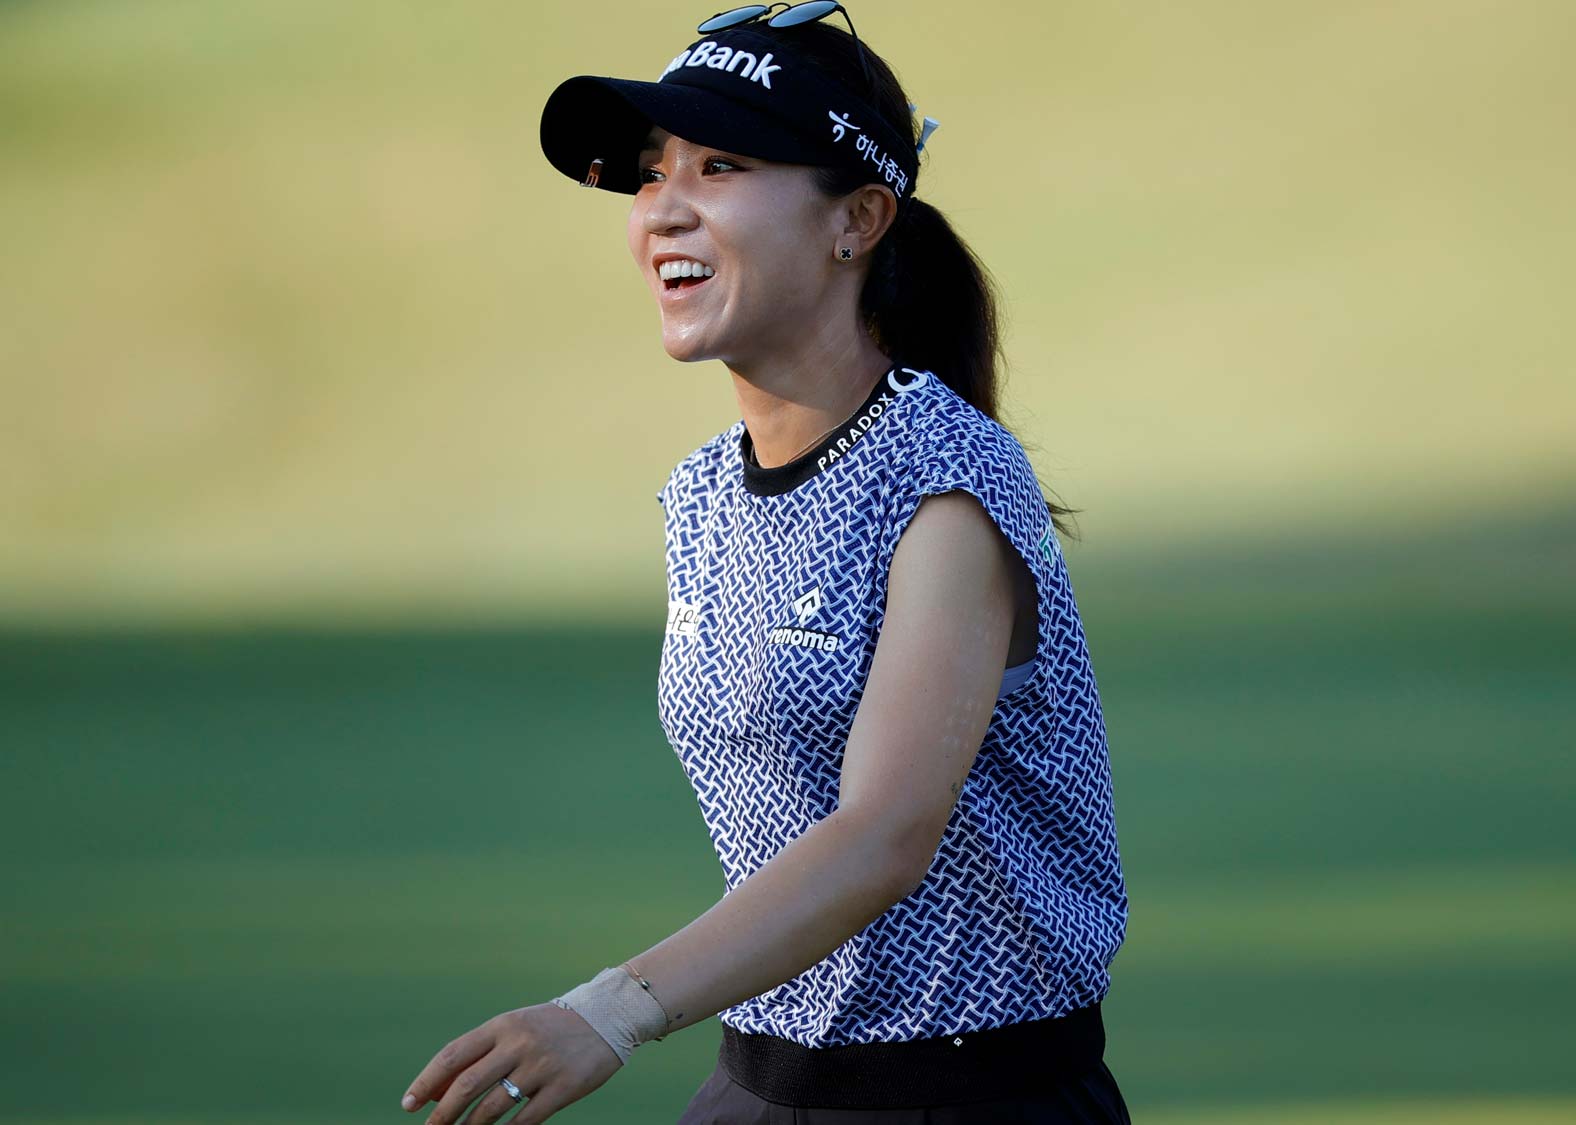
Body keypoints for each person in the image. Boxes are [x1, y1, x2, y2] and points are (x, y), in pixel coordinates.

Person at [399, 4, 1130, 1122]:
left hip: (970, 1098)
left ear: (859, 219)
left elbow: (884, 834)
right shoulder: (699, 493)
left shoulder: (948, 476)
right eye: (650, 175)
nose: (663, 209)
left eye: (721, 164)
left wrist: (609, 1009)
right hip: (759, 1080)